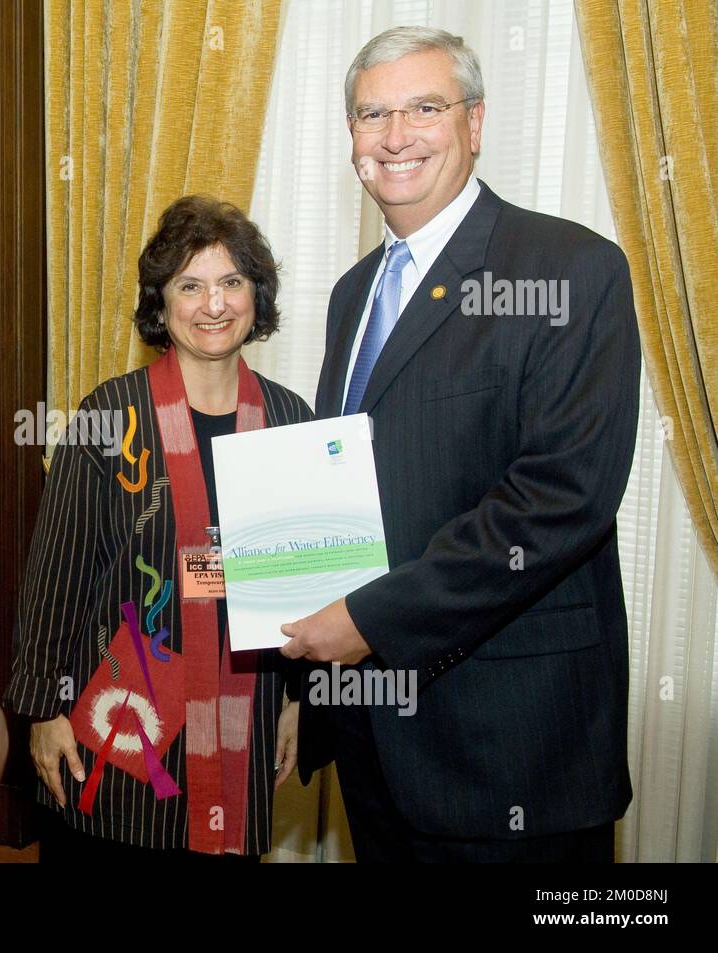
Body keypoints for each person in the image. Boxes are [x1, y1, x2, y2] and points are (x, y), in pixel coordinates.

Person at [282, 26, 640, 862]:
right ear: (353, 142)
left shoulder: (571, 271)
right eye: (372, 114)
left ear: (474, 123)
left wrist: (367, 618)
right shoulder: (351, 295)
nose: (395, 135)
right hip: (373, 737)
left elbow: (559, 499)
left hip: (508, 752)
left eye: (424, 107)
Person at [7, 196, 313, 859]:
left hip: (247, 709)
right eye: (191, 284)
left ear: (256, 296)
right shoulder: (109, 417)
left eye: (232, 281)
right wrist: (44, 709)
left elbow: (299, 587)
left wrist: (297, 702)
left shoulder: (292, 419)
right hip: (120, 721)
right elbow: (55, 575)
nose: (215, 304)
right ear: (162, 301)